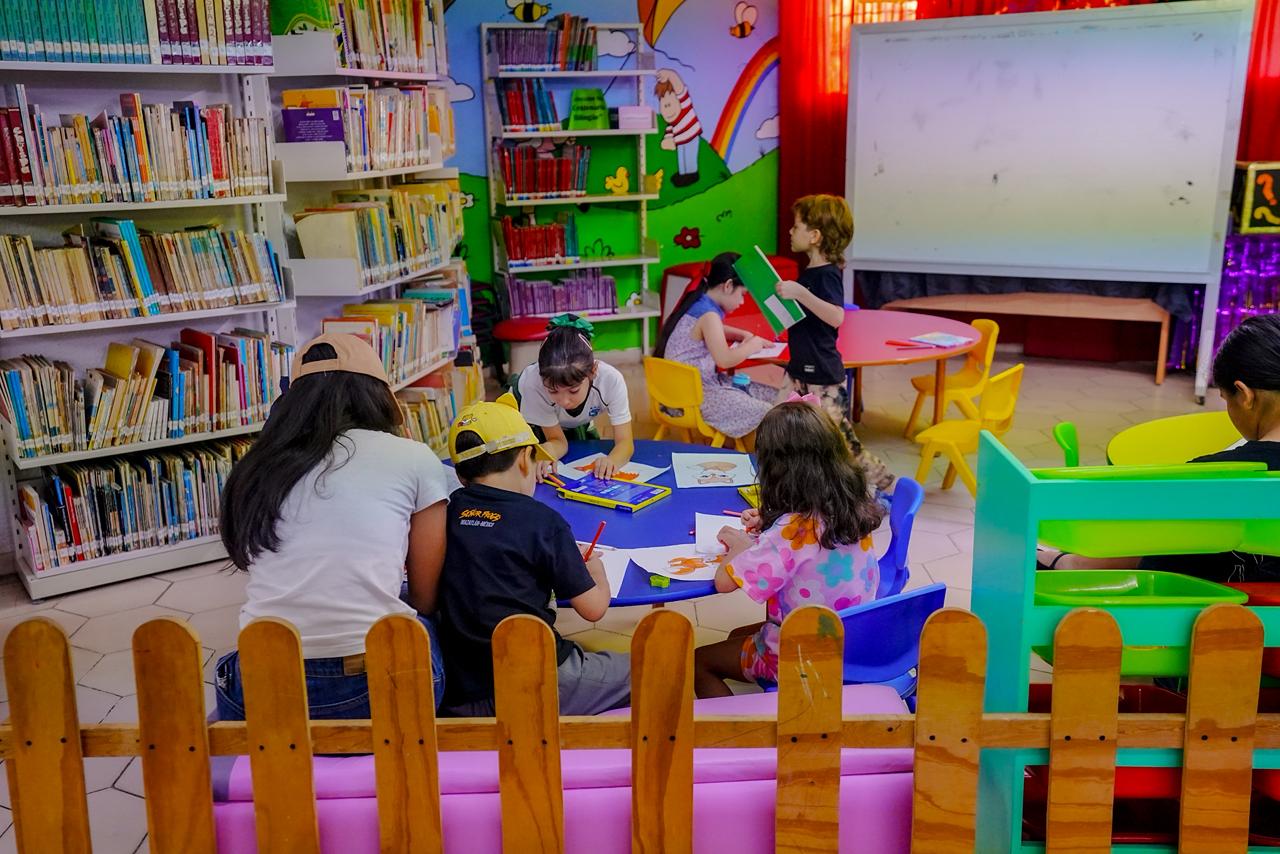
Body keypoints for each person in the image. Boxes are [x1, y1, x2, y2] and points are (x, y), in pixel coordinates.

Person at [214, 333, 450, 720]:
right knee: (426, 626)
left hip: (264, 687)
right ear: (378, 395)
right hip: (372, 687)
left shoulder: (256, 465)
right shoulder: (413, 458)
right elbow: (426, 597)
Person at [1039, 312, 1280, 581]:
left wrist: (1066, 561)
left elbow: (1158, 559)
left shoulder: (1214, 478)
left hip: (1231, 615)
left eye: (1226, 400)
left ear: (1245, 396)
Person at [436, 394, 630, 716]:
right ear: (526, 460)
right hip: (536, 680)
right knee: (655, 668)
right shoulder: (543, 521)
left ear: (459, 475)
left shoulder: (448, 511)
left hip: (463, 690)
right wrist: (597, 570)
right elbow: (593, 608)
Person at [692, 398, 886, 698]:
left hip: (799, 656)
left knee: (698, 661)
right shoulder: (854, 505)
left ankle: (735, 741)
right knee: (735, 637)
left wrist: (740, 545)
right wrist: (772, 524)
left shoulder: (793, 530)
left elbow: (724, 581)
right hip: (850, 642)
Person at [777, 194, 895, 493]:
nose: (791, 231)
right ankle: (794, 485)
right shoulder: (809, 274)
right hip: (797, 372)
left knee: (843, 445)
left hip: (822, 376)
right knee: (779, 426)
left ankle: (887, 485)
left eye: (797, 226)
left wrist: (800, 294)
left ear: (815, 236)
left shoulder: (827, 274)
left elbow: (836, 316)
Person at [654, 251, 779, 440]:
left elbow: (711, 329)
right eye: (742, 294)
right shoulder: (709, 315)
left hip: (682, 392)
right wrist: (753, 344)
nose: (742, 301)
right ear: (728, 286)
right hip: (696, 398)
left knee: (774, 396)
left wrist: (741, 334)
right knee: (769, 411)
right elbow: (725, 359)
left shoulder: (699, 302)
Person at [515, 314, 635, 478]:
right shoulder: (533, 384)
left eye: (573, 390)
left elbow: (625, 442)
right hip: (526, 420)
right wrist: (548, 451)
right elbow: (557, 440)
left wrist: (612, 461)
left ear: (593, 372)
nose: (564, 401)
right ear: (541, 379)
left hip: (571, 423)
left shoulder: (611, 381)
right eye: (553, 391)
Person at [655, 68, 701, 187]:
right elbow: (670, 131)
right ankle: (683, 173)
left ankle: (692, 173)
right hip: (680, 140)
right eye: (663, 105)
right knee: (681, 157)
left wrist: (670, 74)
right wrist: (667, 140)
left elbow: (679, 87)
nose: (666, 109)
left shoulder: (684, 105)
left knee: (689, 155)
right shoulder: (673, 123)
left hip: (691, 136)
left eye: (669, 104)